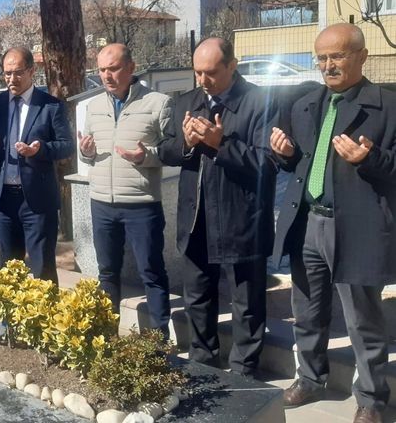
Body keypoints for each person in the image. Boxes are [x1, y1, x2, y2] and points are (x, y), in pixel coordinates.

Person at [273, 23, 395, 423]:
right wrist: (285, 153)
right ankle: (310, 377)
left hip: (357, 228)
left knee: (363, 320)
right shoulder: (307, 104)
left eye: (337, 56)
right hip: (308, 222)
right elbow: (299, 162)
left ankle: (373, 400)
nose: (328, 65)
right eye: (322, 58)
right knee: (306, 311)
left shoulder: (387, 106)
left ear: (361, 55)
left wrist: (370, 159)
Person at [157, 37, 276, 377]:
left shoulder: (259, 102)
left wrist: (219, 143)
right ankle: (203, 360)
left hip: (242, 217)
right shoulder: (187, 101)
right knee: (196, 295)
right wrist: (187, 143)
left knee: (247, 302)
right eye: (197, 72)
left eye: (211, 72)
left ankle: (243, 369)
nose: (203, 81)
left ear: (232, 66)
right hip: (197, 217)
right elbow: (165, 150)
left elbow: (268, 163)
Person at [78, 44, 172, 335]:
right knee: (106, 273)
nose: (107, 75)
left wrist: (146, 156)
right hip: (102, 203)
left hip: (141, 205)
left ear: (131, 67)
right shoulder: (93, 107)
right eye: (102, 70)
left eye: (114, 68)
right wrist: (86, 153)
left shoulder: (158, 102)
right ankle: (106, 335)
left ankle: (157, 342)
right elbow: (88, 155)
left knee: (152, 273)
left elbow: (173, 150)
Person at [0, 46, 74, 283]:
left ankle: (47, 318)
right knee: (9, 270)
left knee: (42, 269)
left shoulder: (50, 106)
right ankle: (11, 318)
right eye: (7, 73)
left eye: (18, 72)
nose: (12, 79)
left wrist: (40, 150)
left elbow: (67, 146)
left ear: (32, 71)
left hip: (37, 200)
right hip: (2, 199)